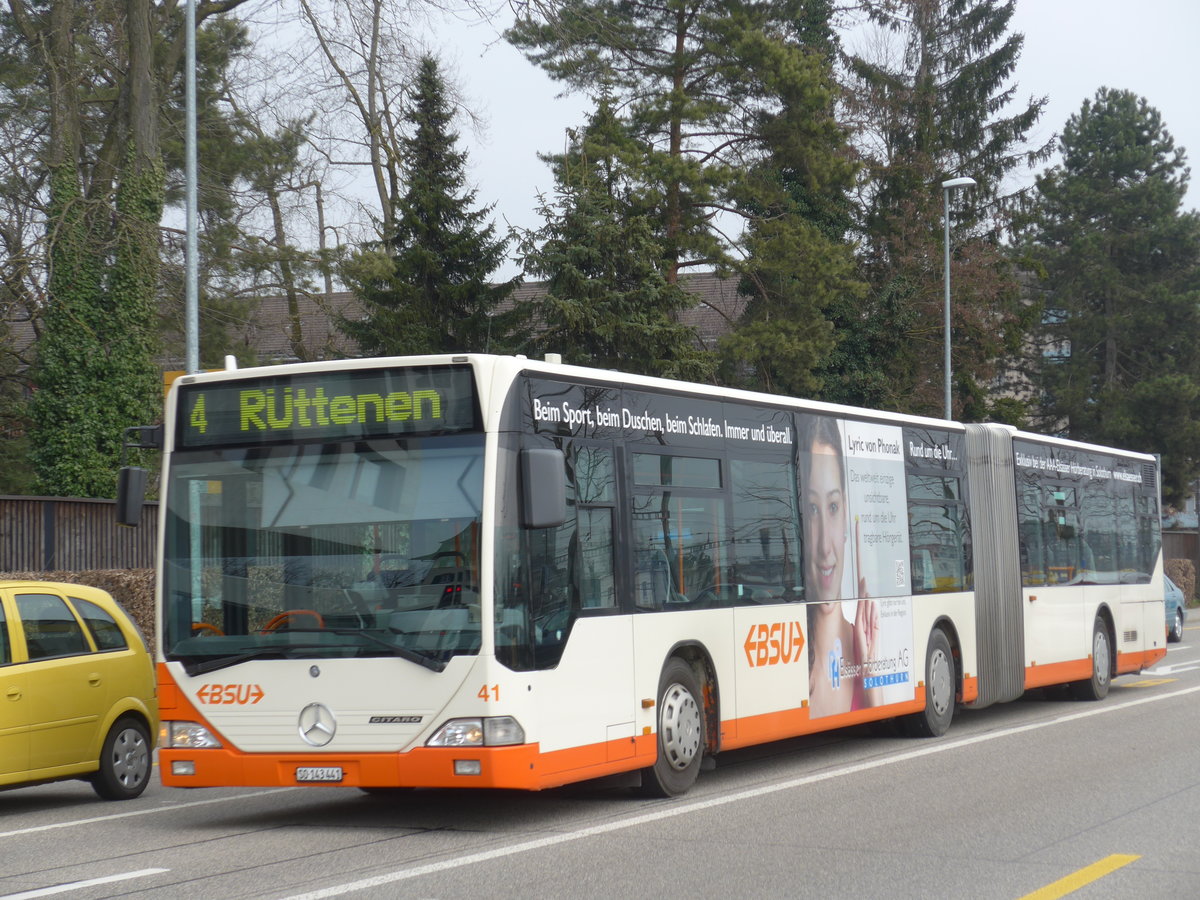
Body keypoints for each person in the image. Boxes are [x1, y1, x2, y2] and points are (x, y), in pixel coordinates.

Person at [801, 415, 881, 717]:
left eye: (833, 507)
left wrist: (870, 669)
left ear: (846, 513)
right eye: (811, 509)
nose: (824, 546)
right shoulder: (791, 665)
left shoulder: (866, 647)